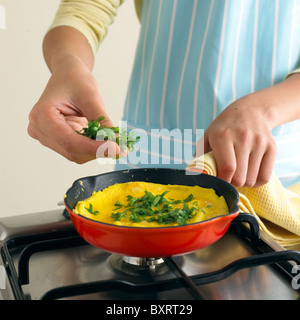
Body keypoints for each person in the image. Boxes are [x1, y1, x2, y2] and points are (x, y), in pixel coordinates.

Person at [28, 0, 300, 188]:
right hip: (150, 163)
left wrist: (262, 110)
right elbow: (84, 10)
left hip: (277, 180)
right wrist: (67, 65)